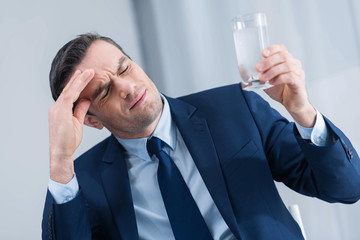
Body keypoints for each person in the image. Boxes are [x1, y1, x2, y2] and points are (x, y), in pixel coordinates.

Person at [42, 33, 360, 240]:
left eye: (124, 69)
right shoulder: (83, 181)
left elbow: (348, 188)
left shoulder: (235, 109)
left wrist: (303, 111)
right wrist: (60, 162)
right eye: (104, 91)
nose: (127, 88)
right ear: (92, 120)